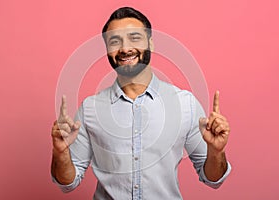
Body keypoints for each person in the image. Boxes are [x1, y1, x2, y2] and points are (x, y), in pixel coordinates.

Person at [51, 7, 231, 200]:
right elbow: (68, 183)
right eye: (114, 41)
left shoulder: (184, 104)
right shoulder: (90, 109)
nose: (125, 48)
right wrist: (60, 152)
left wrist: (216, 151)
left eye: (134, 38)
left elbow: (214, 179)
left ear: (151, 44)